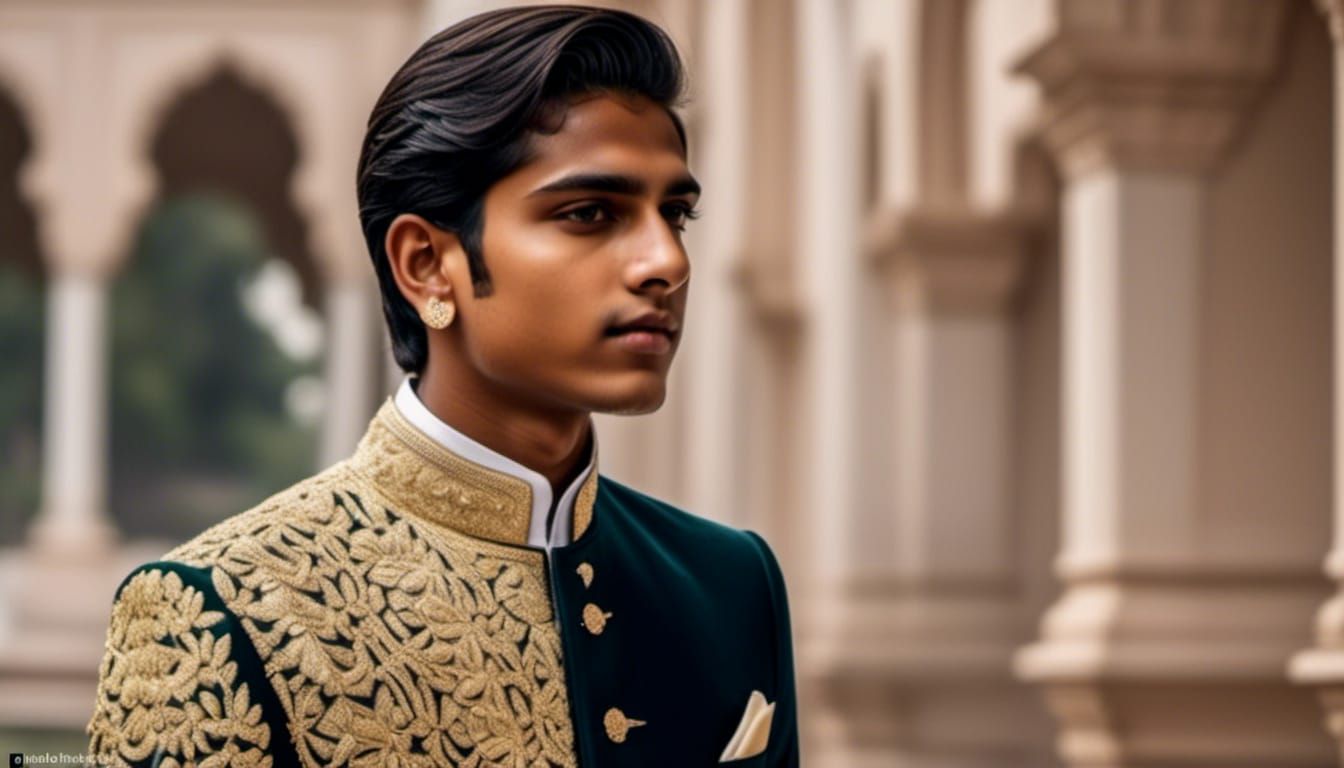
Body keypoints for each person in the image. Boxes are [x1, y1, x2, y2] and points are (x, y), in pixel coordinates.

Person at [85, 5, 799, 766]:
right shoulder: (221, 612)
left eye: (676, 215)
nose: (666, 262)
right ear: (425, 264)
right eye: (592, 213)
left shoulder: (729, 587)